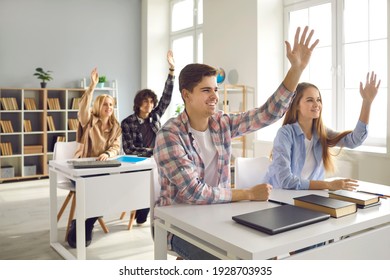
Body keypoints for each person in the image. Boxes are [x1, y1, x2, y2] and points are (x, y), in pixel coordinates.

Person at [153, 26, 319, 260]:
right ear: (186, 95)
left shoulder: (221, 123)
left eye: (216, 89)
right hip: (177, 227)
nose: (215, 96)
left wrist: (296, 69)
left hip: (219, 217)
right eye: (206, 90)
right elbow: (194, 192)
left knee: (267, 254)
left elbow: (267, 114)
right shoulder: (169, 135)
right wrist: (247, 194)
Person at [265, 72, 381, 191]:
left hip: (310, 196)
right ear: (296, 105)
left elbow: (354, 141)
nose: (317, 105)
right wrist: (328, 185)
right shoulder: (285, 134)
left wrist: (367, 102)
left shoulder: (321, 132)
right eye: (310, 100)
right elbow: (285, 181)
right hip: (281, 197)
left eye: (318, 100)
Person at [67, 67, 122, 248]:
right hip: (82, 169)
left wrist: (108, 153)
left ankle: (84, 223)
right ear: (98, 106)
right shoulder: (88, 120)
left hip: (103, 169)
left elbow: (116, 146)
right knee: (96, 190)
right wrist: (92, 87)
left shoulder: (116, 125)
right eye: (105, 104)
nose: (108, 107)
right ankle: (84, 226)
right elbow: (83, 108)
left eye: (111, 105)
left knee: (110, 189)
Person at [121, 50, 175, 225]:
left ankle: (158, 211)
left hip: (156, 160)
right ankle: (143, 208)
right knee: (147, 181)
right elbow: (129, 149)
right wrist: (150, 151)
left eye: (151, 102)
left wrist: (172, 72)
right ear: (138, 103)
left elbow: (166, 98)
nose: (149, 105)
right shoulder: (127, 122)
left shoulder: (155, 116)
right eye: (145, 102)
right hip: (139, 162)